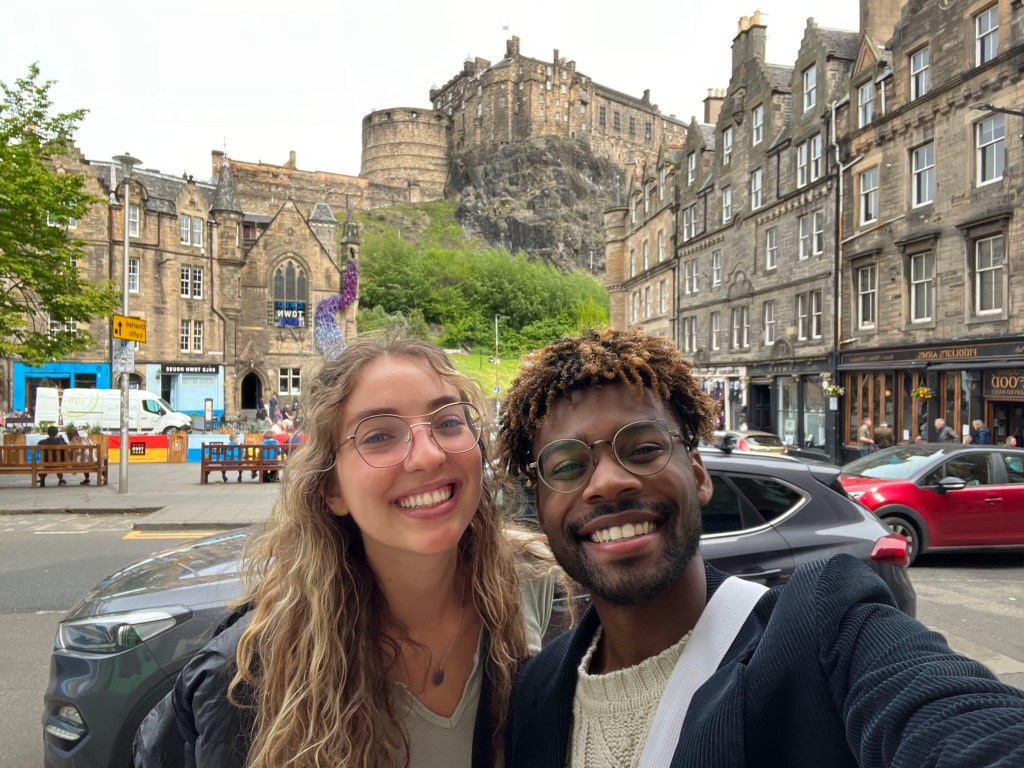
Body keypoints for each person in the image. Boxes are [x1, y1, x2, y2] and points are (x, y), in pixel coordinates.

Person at [497, 327, 1024, 767]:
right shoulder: (535, 691)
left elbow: (954, 718)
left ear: (699, 474)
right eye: (567, 466)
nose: (608, 482)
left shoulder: (823, 629)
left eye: (644, 449)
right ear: (540, 507)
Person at [134, 336, 559, 768]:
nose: (428, 455)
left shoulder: (537, 582)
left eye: (448, 422)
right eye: (378, 436)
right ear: (332, 488)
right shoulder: (253, 676)